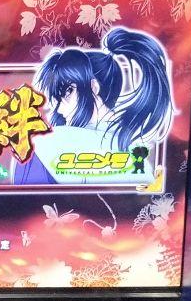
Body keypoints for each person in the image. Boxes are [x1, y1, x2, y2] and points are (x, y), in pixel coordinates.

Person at [13, 27, 175, 185]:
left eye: (67, 92)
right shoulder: (137, 158)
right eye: (58, 100)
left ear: (94, 87)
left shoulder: (45, 145)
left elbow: (24, 198)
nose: (61, 110)